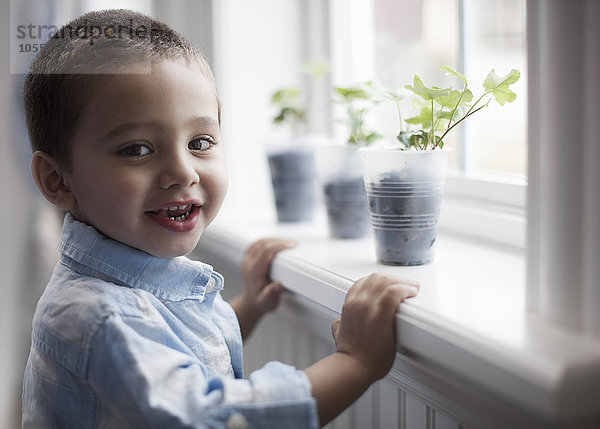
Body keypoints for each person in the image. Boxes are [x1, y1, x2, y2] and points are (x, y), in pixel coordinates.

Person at [22, 9, 420, 428]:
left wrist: (247, 307)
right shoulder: (98, 318)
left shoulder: (124, 293)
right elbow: (212, 416)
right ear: (57, 180)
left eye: (200, 141)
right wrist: (355, 363)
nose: (183, 172)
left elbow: (173, 353)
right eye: (137, 149)